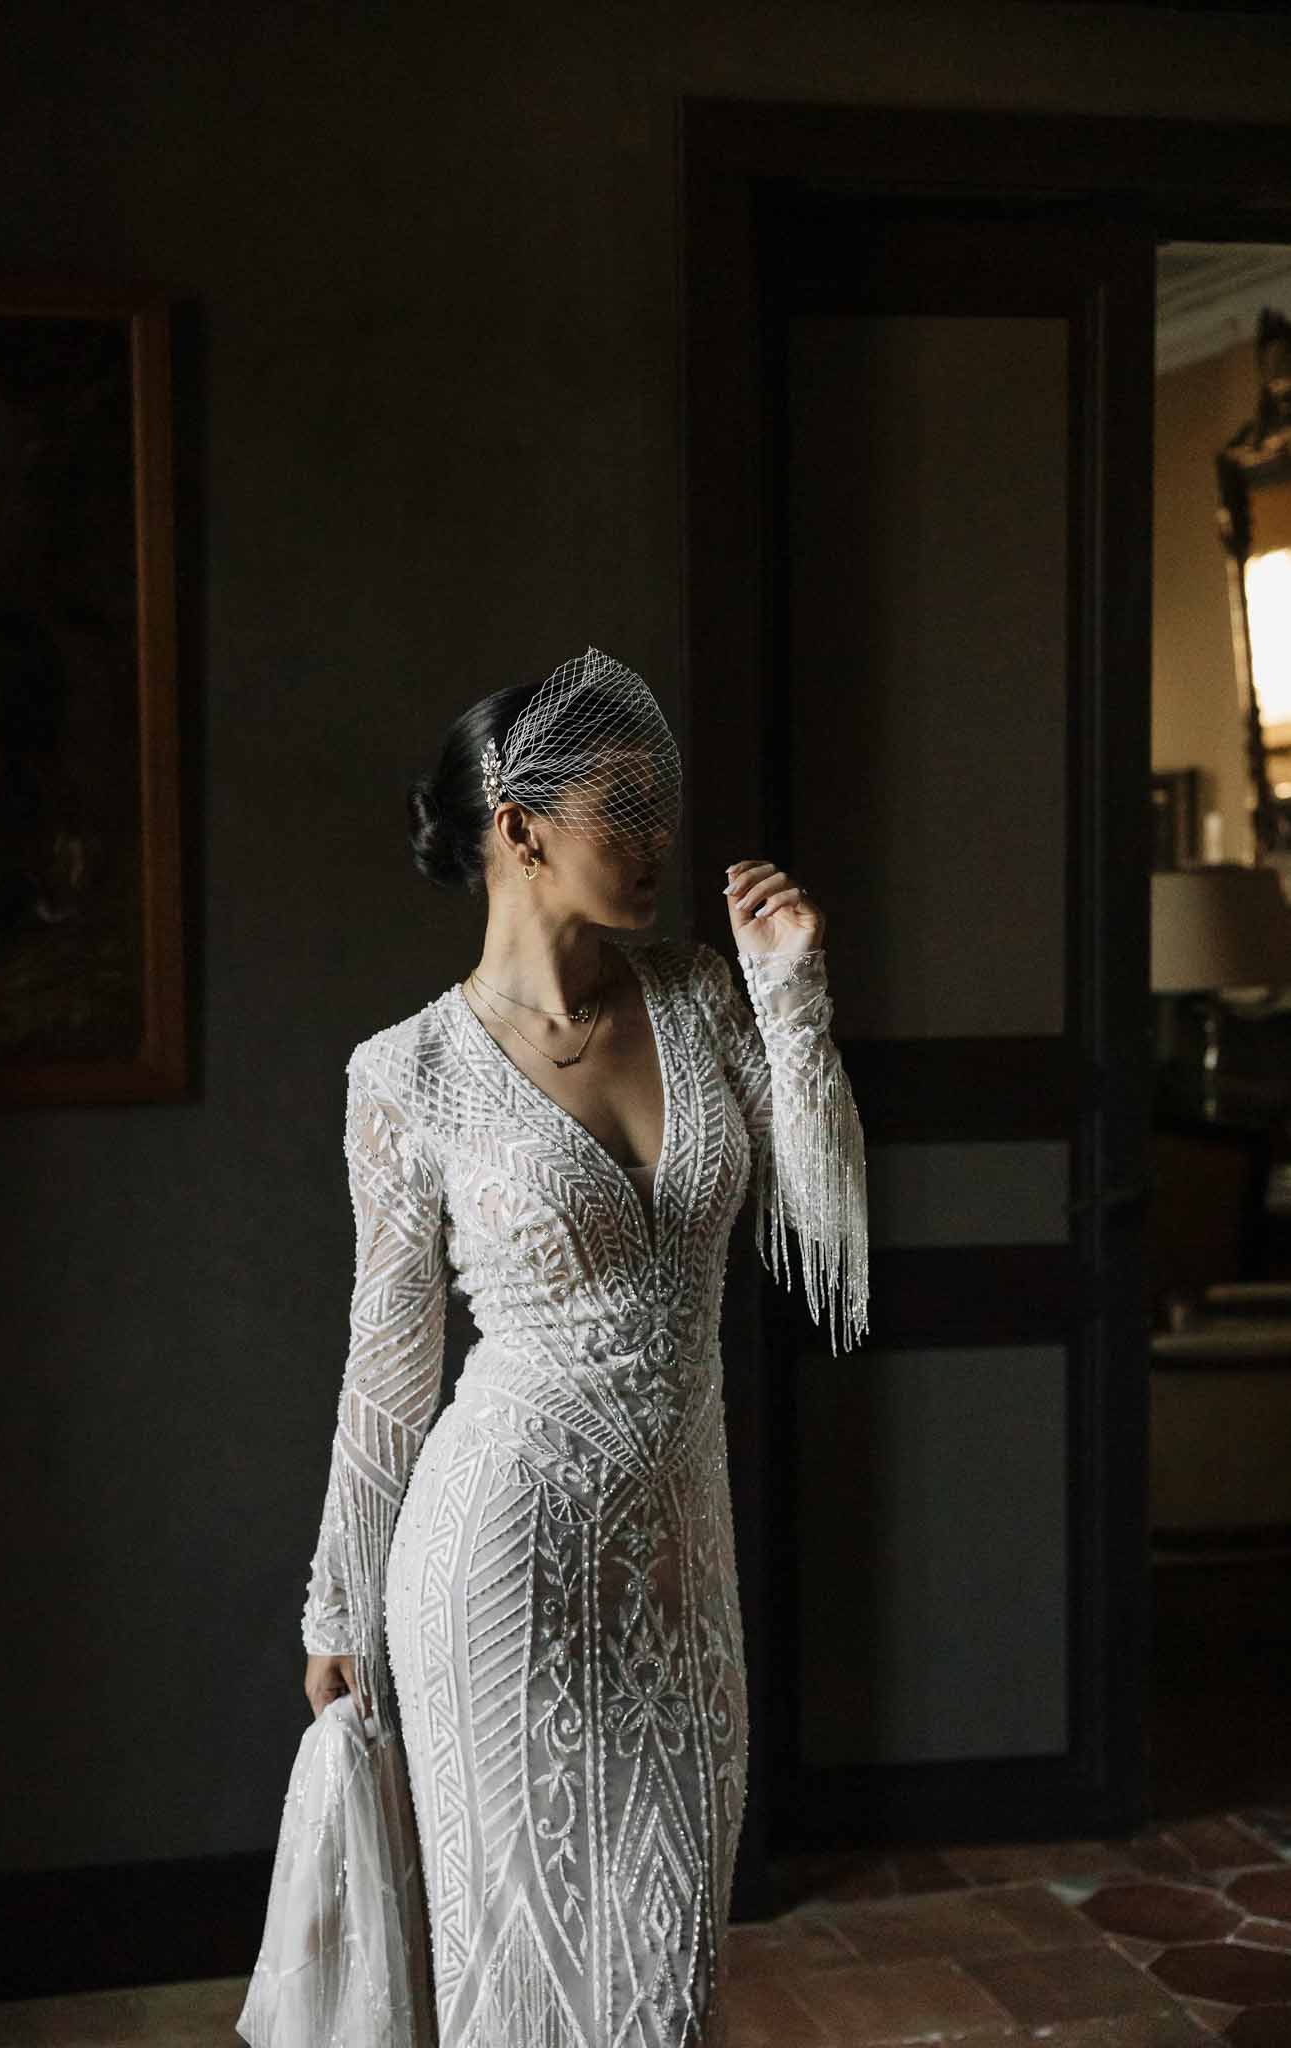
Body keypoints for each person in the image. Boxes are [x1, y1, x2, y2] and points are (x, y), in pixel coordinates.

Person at [241, 646, 869, 2048]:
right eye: (619, 808)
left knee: (660, 1983)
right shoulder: (402, 1073)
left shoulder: (706, 996)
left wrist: (790, 989)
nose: (656, 840)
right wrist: (337, 1607)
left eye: (663, 804)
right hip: (495, 1563)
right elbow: (388, 1362)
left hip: (677, 1566)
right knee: (509, 1977)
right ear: (519, 827)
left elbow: (824, 1231)